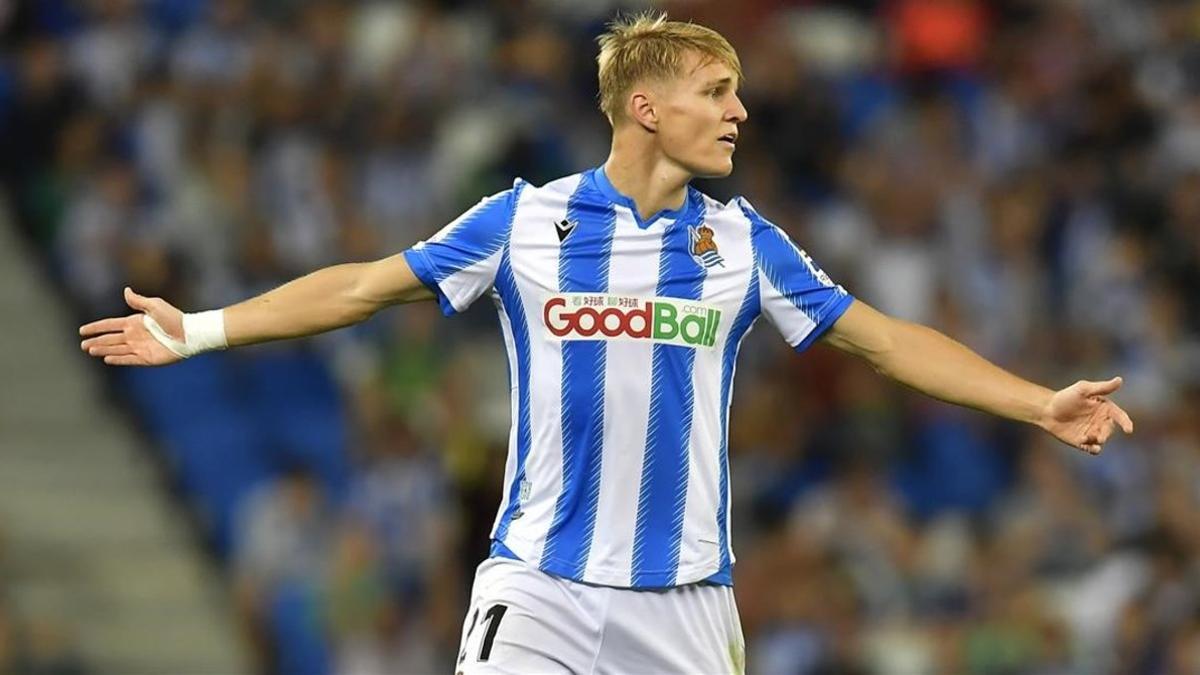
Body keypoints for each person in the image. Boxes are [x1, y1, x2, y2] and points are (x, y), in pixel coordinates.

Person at [78, 12, 1134, 674]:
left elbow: (887, 343)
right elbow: (362, 288)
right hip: (537, 586)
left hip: (684, 607)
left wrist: (1035, 401)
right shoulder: (525, 221)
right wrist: (203, 327)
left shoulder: (741, 242)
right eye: (715, 93)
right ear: (645, 105)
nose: (739, 111)